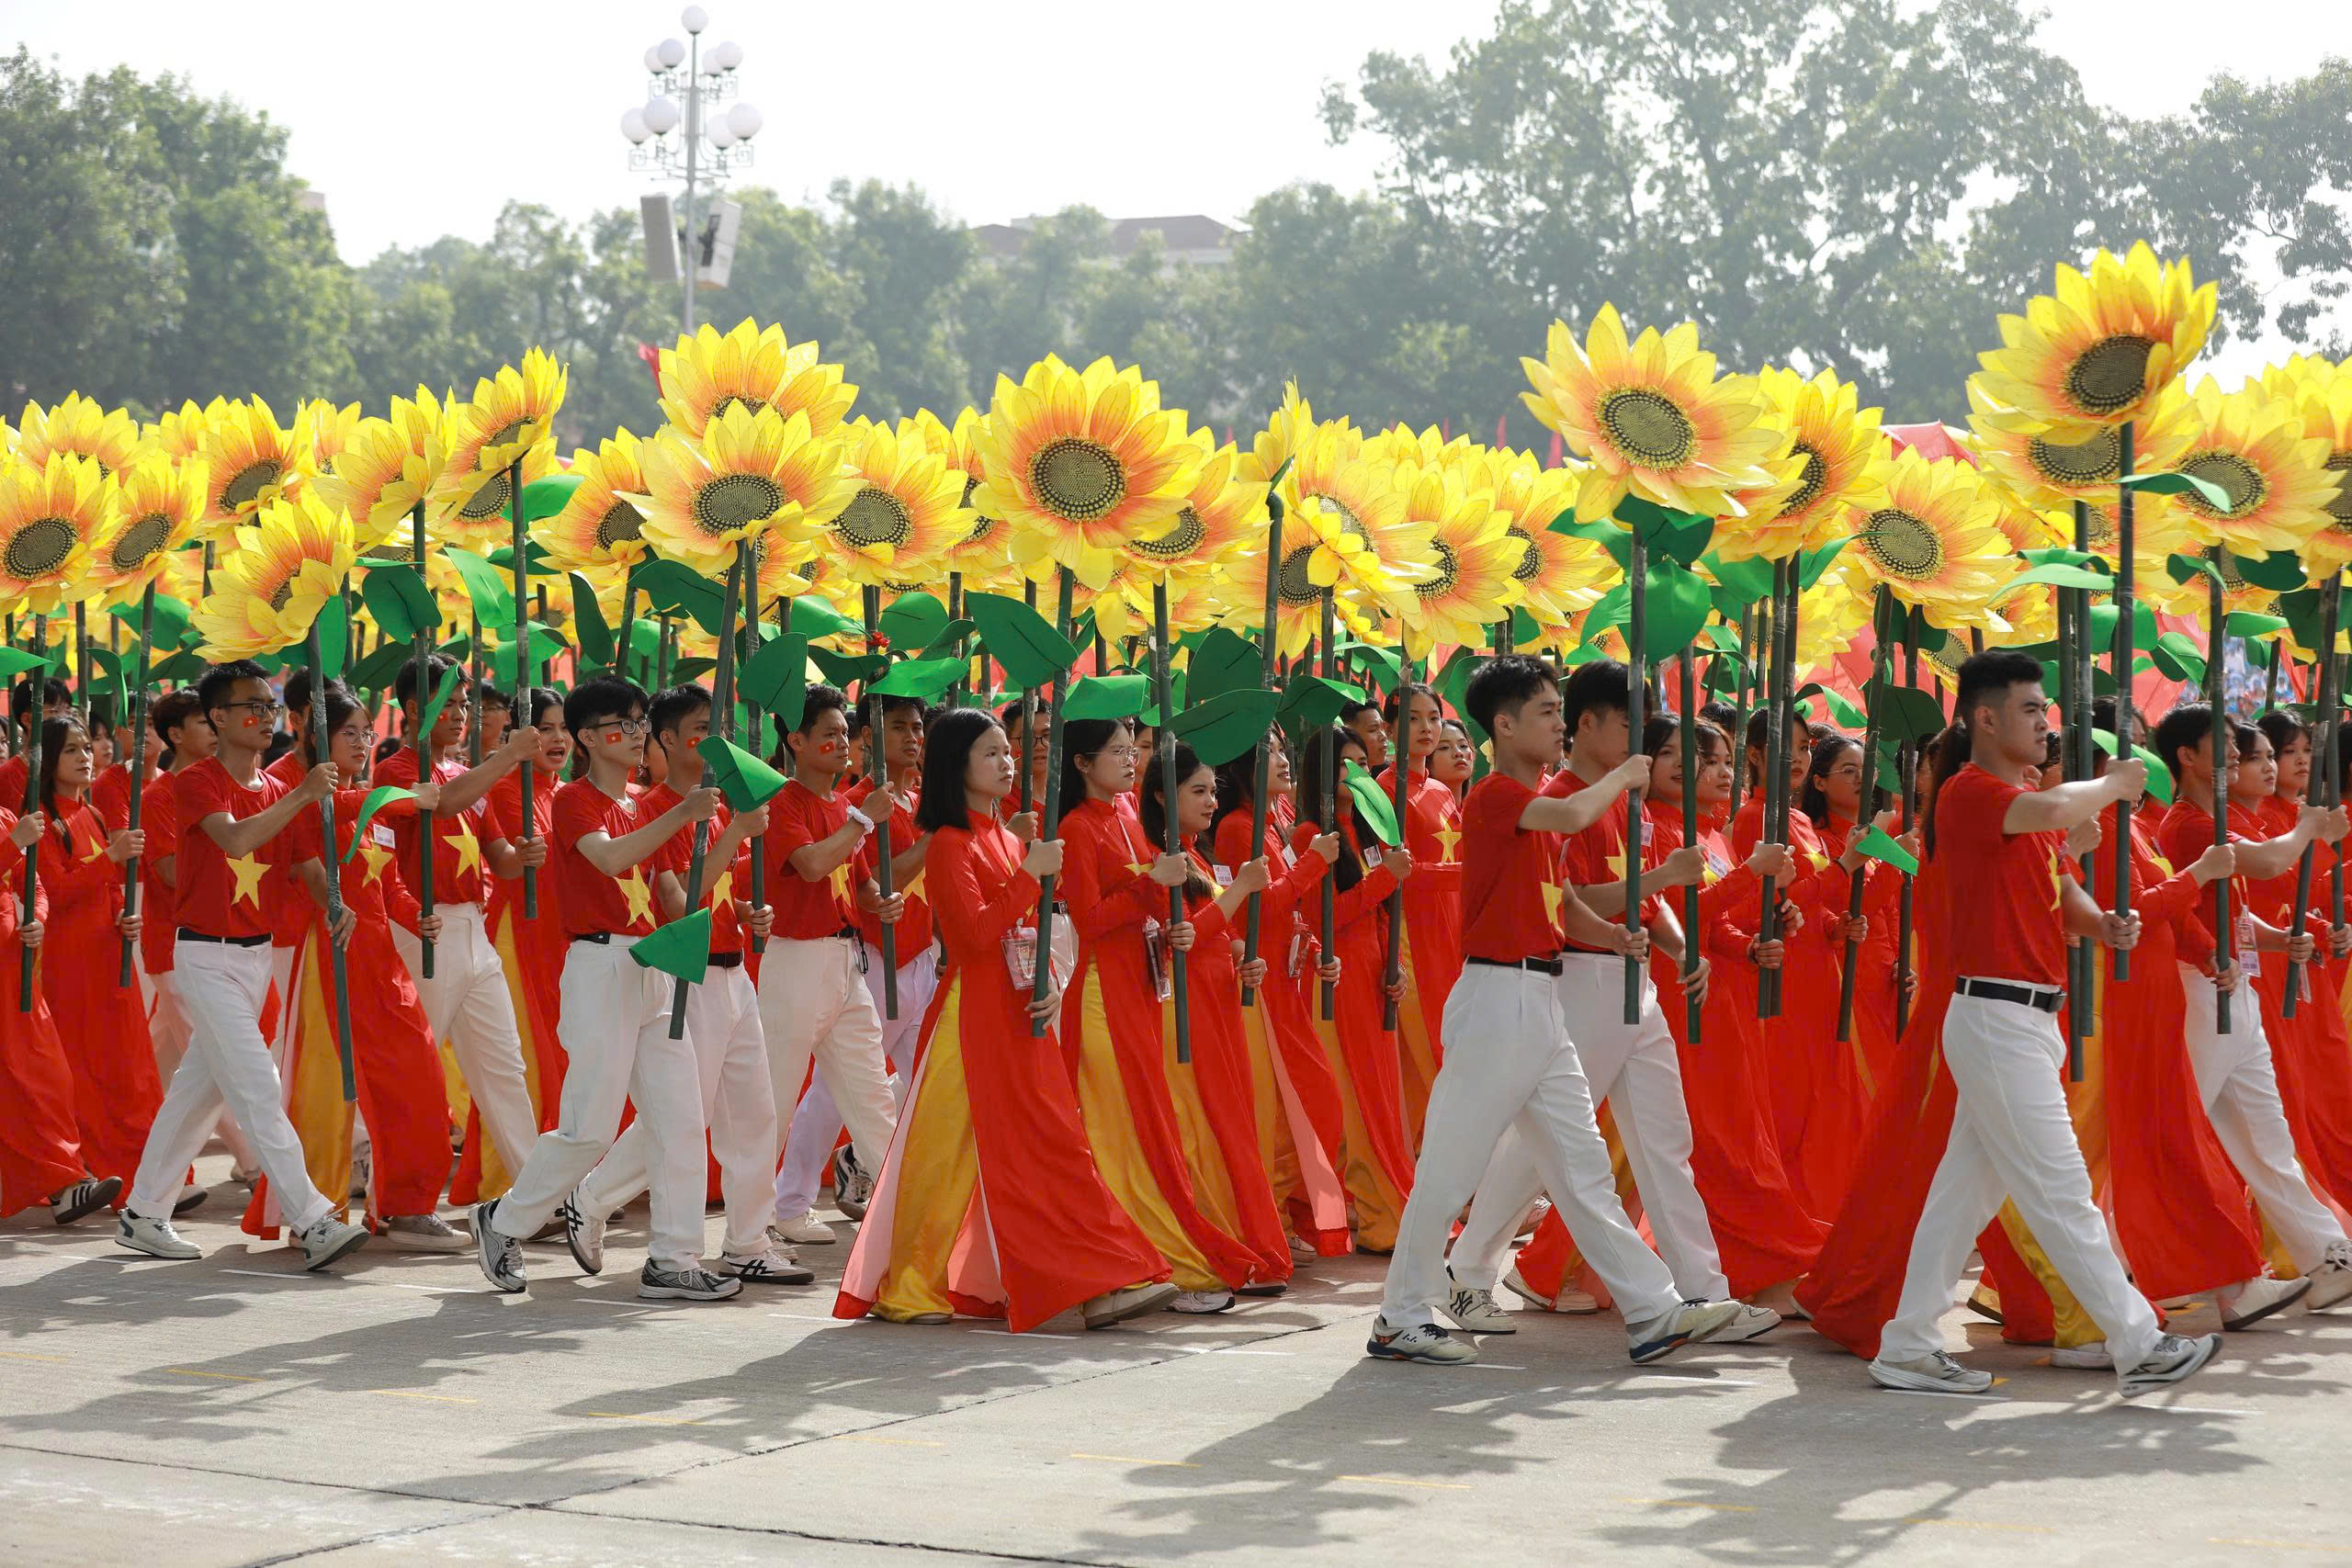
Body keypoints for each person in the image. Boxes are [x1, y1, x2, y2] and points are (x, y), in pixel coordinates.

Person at [1368, 655, 1747, 1365]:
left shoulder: (1535, 799)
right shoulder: (1495, 796)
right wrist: (1626, 777)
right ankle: (1399, 1314)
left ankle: (1655, 1308)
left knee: (1581, 1169)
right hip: (1496, 999)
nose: (1558, 724)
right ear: (1504, 725)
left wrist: (1615, 935)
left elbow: (1562, 900)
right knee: (1451, 1170)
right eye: (1546, 713)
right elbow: (1576, 812)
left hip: (1541, 999)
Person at [1867, 651, 2223, 1396]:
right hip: (1995, 1013)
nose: (2044, 722)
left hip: (2022, 1017)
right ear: (1985, 718)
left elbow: (2059, 896)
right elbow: (2058, 813)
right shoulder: (1971, 792)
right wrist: (2111, 785)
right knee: (2060, 1186)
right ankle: (2137, 1337)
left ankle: (1905, 1341)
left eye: (2045, 709)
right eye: (2031, 709)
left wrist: (2107, 924)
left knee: (1961, 1194)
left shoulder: (2021, 803)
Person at [837, 708, 1177, 1330]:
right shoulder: (948, 843)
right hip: (973, 1018)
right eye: (992, 753)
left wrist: (1050, 981)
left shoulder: (1010, 837)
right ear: (956, 765)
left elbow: (1027, 933)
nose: (1008, 762)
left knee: (1054, 1142)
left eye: (1006, 752)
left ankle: (1095, 1273)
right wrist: (1029, 875)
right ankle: (912, 1282)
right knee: (946, 1153)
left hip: (1022, 1008)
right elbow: (971, 936)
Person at [473, 675, 734, 1302]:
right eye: (625, 721)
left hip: (654, 964)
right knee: (588, 1128)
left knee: (679, 1118)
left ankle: (674, 1258)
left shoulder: (642, 802)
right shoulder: (572, 800)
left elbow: (678, 893)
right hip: (597, 969)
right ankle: (503, 1220)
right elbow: (612, 860)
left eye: (642, 719)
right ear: (589, 737)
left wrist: (731, 827)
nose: (639, 731)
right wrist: (679, 810)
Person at [115, 660, 368, 1269]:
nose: (264, 717)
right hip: (203, 955)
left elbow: (307, 866)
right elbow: (235, 840)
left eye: (270, 706)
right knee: (260, 1086)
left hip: (257, 958)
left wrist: (336, 901)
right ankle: (312, 1218)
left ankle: (144, 1211)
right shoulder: (196, 782)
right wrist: (307, 793)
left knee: (196, 1095)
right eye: (249, 705)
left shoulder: (284, 791)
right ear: (216, 718)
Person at [570, 683, 801, 1287]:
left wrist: (751, 915)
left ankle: (748, 1239)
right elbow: (679, 904)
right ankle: (591, 1198)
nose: (711, 736)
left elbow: (722, 893)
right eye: (698, 727)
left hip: (733, 972)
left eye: (715, 725)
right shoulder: (651, 810)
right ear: (666, 739)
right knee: (678, 1122)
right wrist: (730, 834)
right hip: (684, 976)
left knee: (753, 1114)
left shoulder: (720, 804)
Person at [1061, 715, 1267, 1306]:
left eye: (1134, 750)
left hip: (1143, 987)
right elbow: (1090, 921)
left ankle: (1153, 1256)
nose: (1131, 760)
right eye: (1117, 752)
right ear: (1081, 763)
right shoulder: (1077, 829)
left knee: (1149, 1129)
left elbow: (1159, 906)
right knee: (1116, 1130)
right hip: (1102, 992)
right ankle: (1134, 1263)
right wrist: (1148, 883)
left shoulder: (1127, 818)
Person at [2151, 703, 2352, 1309]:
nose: (2240, 755)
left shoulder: (2212, 816)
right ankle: (2126, 1269)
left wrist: (2288, 938)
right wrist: (2310, 828)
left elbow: (2235, 914)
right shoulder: (2189, 822)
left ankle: (2327, 1257)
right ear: (2187, 756)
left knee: (2268, 1137)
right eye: (2228, 745)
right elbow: (2267, 863)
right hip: (2200, 993)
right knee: (2175, 1138)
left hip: (2234, 993)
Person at [255, 687, 463, 1249]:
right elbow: (308, 867)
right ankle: (316, 1213)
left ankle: (408, 1206)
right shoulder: (303, 797)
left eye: (368, 733)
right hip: (328, 952)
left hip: (380, 958)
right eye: (350, 733)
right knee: (325, 1086)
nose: (363, 742)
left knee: (417, 1072)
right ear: (314, 735)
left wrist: (412, 914)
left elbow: (387, 879)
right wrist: (333, 898)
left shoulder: (364, 804)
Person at [377, 654, 546, 1199]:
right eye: (446, 705)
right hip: (424, 932)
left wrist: (527, 855)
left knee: (504, 1067)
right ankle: (399, 1197)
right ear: (410, 709)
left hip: (474, 931)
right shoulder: (398, 771)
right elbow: (444, 803)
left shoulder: (462, 772)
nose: (460, 714)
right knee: (419, 1070)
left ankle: (535, 1194)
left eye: (464, 704)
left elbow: (499, 859)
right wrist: (508, 758)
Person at [775, 693, 934, 1233]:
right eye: (833, 733)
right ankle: (781, 1208)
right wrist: (870, 820)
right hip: (820, 959)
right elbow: (817, 866)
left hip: (874, 958)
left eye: (846, 734)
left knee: (881, 1090)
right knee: (800, 1096)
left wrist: (880, 901)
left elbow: (865, 886)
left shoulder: (860, 807)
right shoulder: (812, 802)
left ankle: (896, 1207)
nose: (841, 744)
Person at [1138, 740, 1289, 1297]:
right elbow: (1184, 939)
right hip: (1184, 1002)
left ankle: (1243, 1237)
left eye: (1212, 790)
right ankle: (1215, 1242)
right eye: (1197, 791)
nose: (1210, 800)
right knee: (1202, 1122)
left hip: (1217, 996)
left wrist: (1243, 959)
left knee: (1231, 1118)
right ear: (1162, 795)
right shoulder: (1162, 857)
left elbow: (1213, 936)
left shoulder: (1193, 854)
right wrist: (1245, 890)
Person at [1211, 738, 1349, 1258]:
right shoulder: (1235, 828)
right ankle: (1267, 1219)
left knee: (1318, 1103)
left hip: (1288, 982)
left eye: (1282, 748)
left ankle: (1287, 1212)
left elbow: (1292, 910)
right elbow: (1259, 907)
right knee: (1274, 1112)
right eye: (1269, 751)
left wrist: (1314, 949)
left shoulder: (1272, 820)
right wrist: (1313, 863)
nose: (1283, 759)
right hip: (1258, 987)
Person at [1292, 725, 1417, 1255]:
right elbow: (1325, 918)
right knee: (1358, 1098)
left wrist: (1396, 966)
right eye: (1344, 763)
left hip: (1372, 973)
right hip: (1335, 975)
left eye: (1362, 763)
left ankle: (1389, 1207)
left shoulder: (1368, 829)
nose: (1355, 773)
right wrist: (1384, 879)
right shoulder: (1309, 836)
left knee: (1385, 1097)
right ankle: (1375, 1213)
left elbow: (1380, 914)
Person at [36, 716, 153, 1197]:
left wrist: (126, 914)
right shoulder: (44, 822)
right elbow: (54, 892)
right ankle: (81, 1168)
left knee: (121, 1064)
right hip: (69, 960)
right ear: (46, 761)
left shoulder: (96, 815)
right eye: (71, 750)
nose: (86, 756)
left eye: (88, 746)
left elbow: (108, 889)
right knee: (80, 1066)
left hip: (107, 953)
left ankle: (134, 1167)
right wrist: (111, 859)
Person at [0, 796, 121, 1226]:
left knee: (45, 1076)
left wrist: (37, 917)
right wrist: (13, 844)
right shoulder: (15, 829)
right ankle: (62, 1185)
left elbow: (32, 884)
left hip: (16, 965)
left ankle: (65, 1182)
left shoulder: (8, 818)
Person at [1376, 681, 1464, 1144]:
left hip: (1450, 934)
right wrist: (1469, 872)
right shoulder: (1382, 792)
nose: (1426, 728)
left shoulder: (1442, 791)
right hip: (1412, 934)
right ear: (1389, 729)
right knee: (1429, 1052)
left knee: (1452, 1048)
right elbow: (1401, 871)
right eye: (1411, 719)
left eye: (1432, 717)